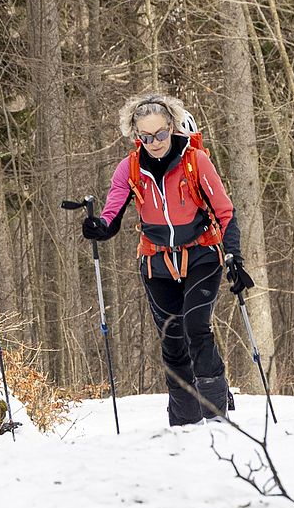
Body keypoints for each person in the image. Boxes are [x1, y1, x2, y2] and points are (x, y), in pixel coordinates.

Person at [80, 93, 255, 425]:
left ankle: (216, 415)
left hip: (202, 254)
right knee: (172, 340)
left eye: (160, 134)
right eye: (145, 137)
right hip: (156, 262)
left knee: (196, 326)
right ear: (136, 135)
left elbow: (225, 212)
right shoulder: (130, 168)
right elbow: (112, 213)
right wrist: (98, 227)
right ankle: (184, 423)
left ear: (172, 127)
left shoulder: (196, 161)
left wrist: (233, 255)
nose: (155, 143)